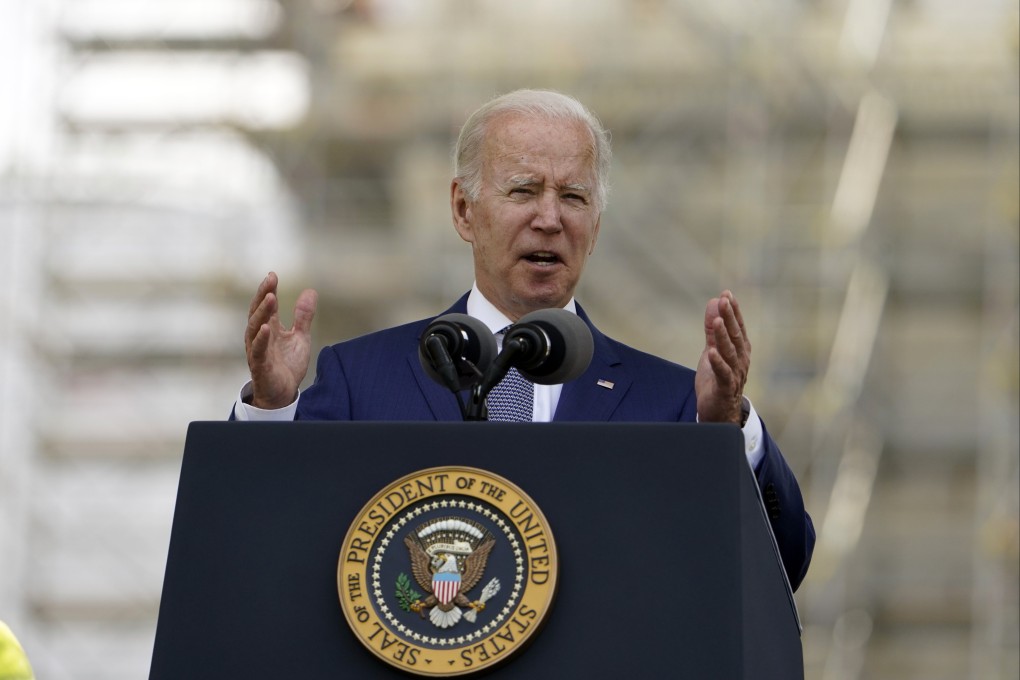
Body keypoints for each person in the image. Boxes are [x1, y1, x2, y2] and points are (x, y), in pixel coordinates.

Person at [232, 89, 815, 590]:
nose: (549, 218)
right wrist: (272, 412)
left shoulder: (675, 404)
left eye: (574, 197)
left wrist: (727, 431)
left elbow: (782, 565)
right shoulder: (363, 378)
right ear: (464, 209)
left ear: (596, 228)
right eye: (522, 191)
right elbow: (262, 544)